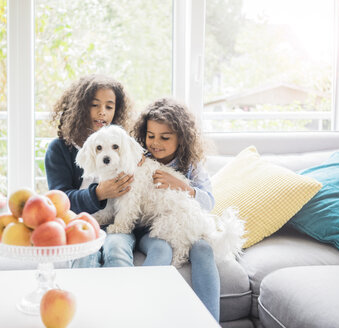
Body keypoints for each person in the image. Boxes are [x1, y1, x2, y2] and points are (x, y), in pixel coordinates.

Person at [131, 97, 220, 321]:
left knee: (203, 249)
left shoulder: (191, 165)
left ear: (181, 138)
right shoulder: (140, 160)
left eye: (165, 137)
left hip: (184, 227)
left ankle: (209, 322)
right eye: (150, 136)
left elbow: (209, 201)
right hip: (150, 229)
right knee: (161, 249)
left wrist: (183, 187)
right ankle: (136, 315)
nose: (155, 143)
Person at [44, 74, 137, 267]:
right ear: (80, 107)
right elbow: (59, 201)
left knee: (117, 252)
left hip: (117, 226)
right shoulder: (59, 150)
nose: (102, 112)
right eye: (95, 105)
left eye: (109, 107)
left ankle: (123, 297)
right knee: (85, 257)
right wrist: (98, 193)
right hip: (79, 225)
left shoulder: (123, 146)